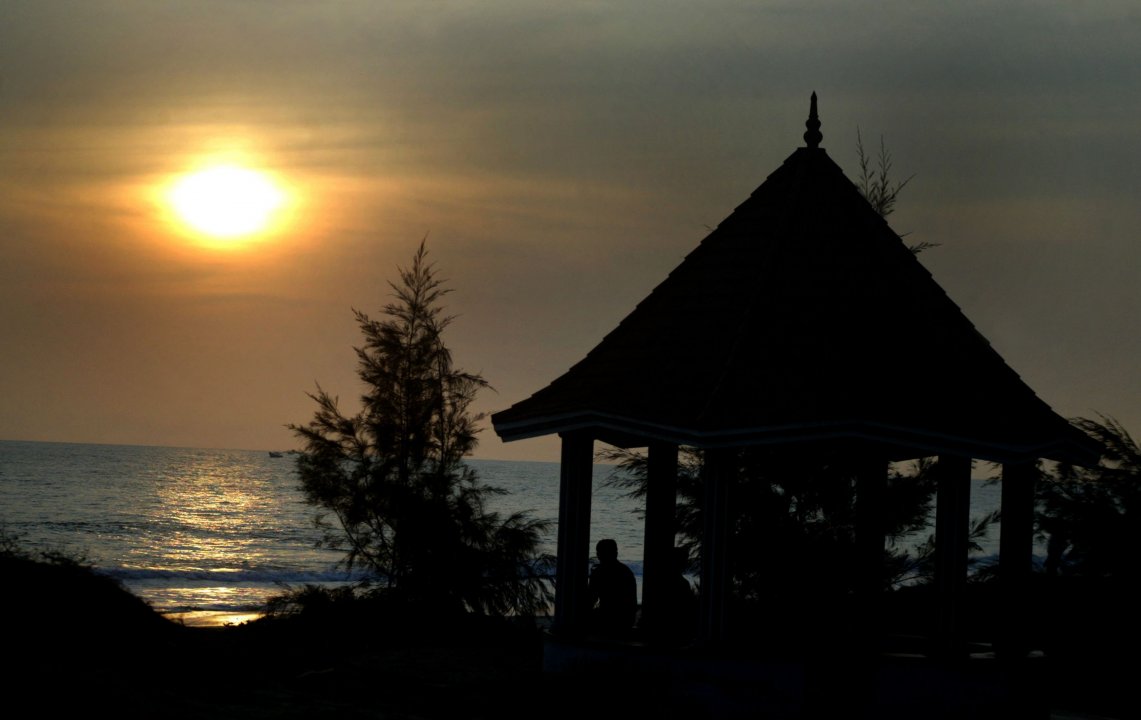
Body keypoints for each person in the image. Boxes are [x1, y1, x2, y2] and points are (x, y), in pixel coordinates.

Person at [588, 538, 638, 637]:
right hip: (627, 620)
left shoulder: (599, 572)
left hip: (609, 619)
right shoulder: (625, 571)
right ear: (615, 553)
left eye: (599, 553)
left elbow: (590, 599)